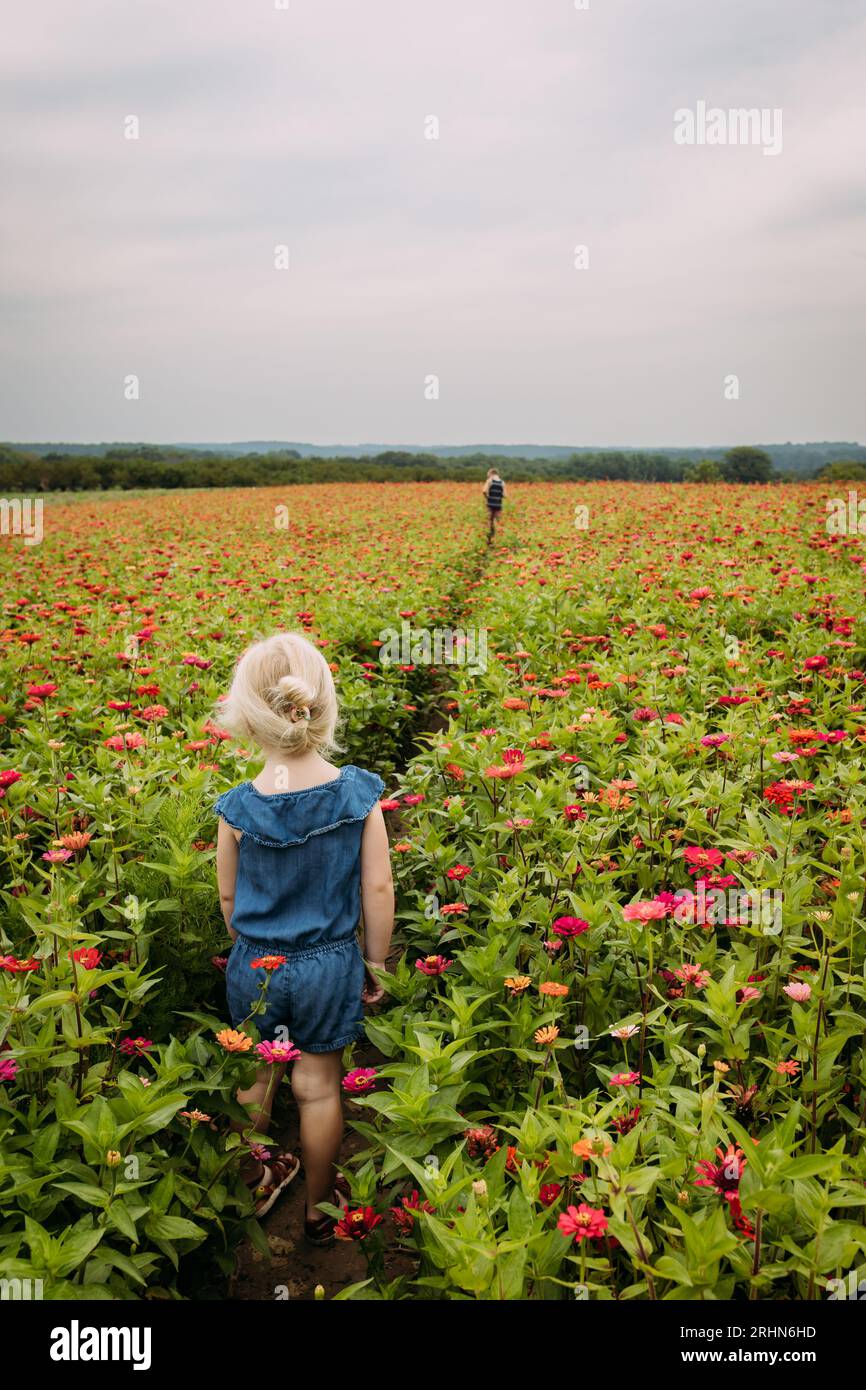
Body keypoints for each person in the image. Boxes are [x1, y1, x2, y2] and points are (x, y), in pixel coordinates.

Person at [214, 631, 394, 1243]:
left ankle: (259, 1176)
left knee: (256, 1079)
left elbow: (229, 899)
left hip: (255, 964)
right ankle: (320, 1210)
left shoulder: (237, 808)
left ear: (248, 717)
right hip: (328, 964)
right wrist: (375, 962)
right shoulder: (358, 795)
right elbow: (377, 893)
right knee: (317, 1089)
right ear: (322, 704)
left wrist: (249, 945)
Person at [482, 467, 505, 539]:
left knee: (489, 520)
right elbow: (505, 495)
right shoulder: (502, 482)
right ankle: (497, 537)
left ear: (491, 474)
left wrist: (487, 497)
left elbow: (484, 491)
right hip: (498, 504)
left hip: (490, 504)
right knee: (497, 520)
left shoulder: (489, 480)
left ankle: (489, 537)